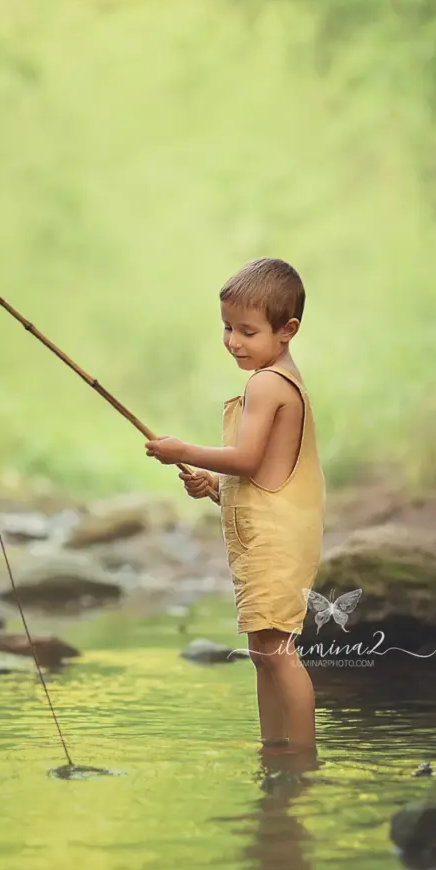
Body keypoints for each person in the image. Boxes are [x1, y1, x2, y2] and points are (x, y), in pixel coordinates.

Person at [144, 257, 324, 756]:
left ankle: (302, 758)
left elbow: (245, 458)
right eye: (227, 328)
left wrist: (182, 452)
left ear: (287, 330)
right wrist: (214, 485)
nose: (233, 342)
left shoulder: (266, 384)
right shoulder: (282, 378)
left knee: (278, 652)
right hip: (275, 534)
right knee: (263, 652)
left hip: (274, 542)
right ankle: (276, 749)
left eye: (247, 331)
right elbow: (266, 474)